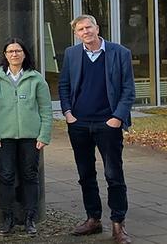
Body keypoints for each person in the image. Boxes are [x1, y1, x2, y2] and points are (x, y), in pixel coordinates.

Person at [58, 15, 135, 244]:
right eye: (80, 29)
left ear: (97, 28)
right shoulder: (72, 54)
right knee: (85, 175)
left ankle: (118, 224)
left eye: (88, 27)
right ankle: (93, 219)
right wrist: (68, 113)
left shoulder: (119, 52)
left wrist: (117, 118)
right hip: (79, 124)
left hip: (108, 124)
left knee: (114, 174)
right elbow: (64, 85)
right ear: (76, 34)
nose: (85, 31)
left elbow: (128, 90)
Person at [0, 38, 52, 235]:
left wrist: (44, 135)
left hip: (31, 137)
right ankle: (8, 217)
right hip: (3, 137)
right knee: (6, 177)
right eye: (10, 51)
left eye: (18, 51)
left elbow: (46, 109)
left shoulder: (36, 78)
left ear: (24, 54)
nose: (14, 54)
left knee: (30, 176)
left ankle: (30, 217)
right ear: (5, 55)